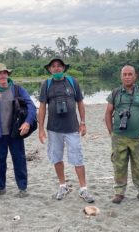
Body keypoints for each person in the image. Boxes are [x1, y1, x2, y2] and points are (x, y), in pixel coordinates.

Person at [38, 58, 94, 203]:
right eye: (53, 66)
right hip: (53, 129)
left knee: (77, 157)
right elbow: (42, 106)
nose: (56, 69)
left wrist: (83, 123)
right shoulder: (46, 84)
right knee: (56, 157)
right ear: (50, 69)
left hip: (72, 128)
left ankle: (83, 189)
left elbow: (80, 102)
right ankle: (62, 186)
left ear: (64, 68)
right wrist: (41, 129)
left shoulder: (72, 82)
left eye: (59, 66)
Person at [105, 65, 139, 205]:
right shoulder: (115, 93)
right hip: (119, 137)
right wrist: (111, 132)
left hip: (138, 137)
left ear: (135, 76)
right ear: (121, 77)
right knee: (119, 165)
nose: (127, 77)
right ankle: (119, 192)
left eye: (130, 74)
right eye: (125, 74)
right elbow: (108, 112)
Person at [0, 63, 36, 198]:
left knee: (19, 159)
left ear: (7, 74)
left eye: (4, 73)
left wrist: (27, 122)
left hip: (16, 131)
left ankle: (23, 188)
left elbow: (31, 106)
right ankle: (0, 188)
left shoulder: (18, 89)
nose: (2, 75)